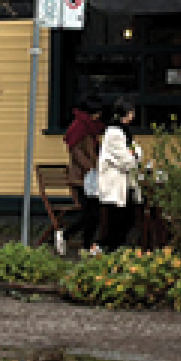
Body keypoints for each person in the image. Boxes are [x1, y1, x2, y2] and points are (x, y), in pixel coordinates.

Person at [57, 95, 105, 256]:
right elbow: (77, 153)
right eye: (98, 112)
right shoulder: (79, 128)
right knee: (90, 213)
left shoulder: (90, 127)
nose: (100, 115)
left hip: (89, 177)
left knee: (93, 213)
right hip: (81, 179)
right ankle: (66, 235)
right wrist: (93, 168)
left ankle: (86, 245)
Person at [93, 100, 142, 253]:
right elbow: (126, 160)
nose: (133, 115)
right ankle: (104, 249)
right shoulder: (114, 133)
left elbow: (136, 152)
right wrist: (134, 155)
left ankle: (110, 249)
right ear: (125, 114)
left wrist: (134, 154)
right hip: (114, 183)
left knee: (125, 218)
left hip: (123, 182)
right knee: (117, 219)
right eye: (131, 112)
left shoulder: (123, 131)